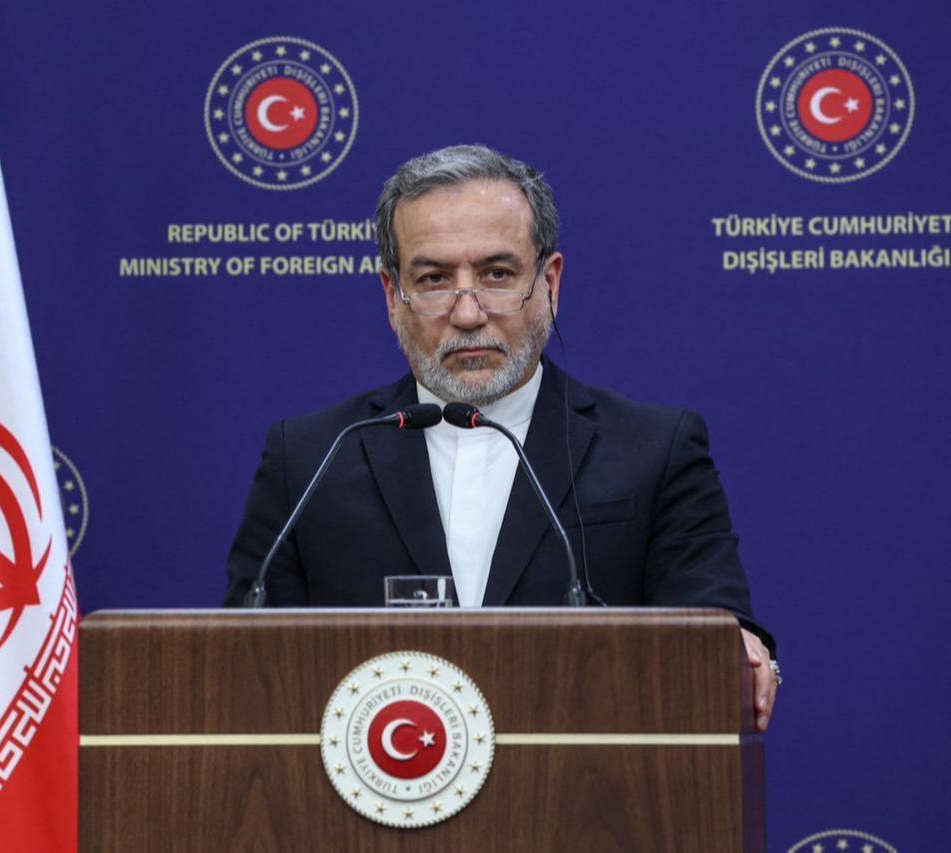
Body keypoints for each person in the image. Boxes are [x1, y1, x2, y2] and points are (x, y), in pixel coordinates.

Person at [224, 144, 779, 731]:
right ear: (393, 297)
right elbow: (244, 671)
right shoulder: (310, 458)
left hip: (590, 808)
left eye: (497, 274)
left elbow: (714, 628)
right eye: (435, 279)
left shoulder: (655, 450)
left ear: (550, 282)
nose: (468, 312)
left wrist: (736, 647)